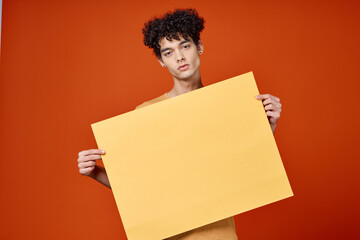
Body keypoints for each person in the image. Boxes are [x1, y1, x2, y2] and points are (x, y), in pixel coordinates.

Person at [77, 8, 282, 240]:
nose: (180, 57)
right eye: (168, 52)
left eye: (185, 46)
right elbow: (136, 186)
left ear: (199, 46)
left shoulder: (230, 106)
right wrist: (94, 171)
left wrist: (267, 128)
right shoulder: (146, 114)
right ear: (161, 60)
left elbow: (245, 168)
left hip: (219, 235)